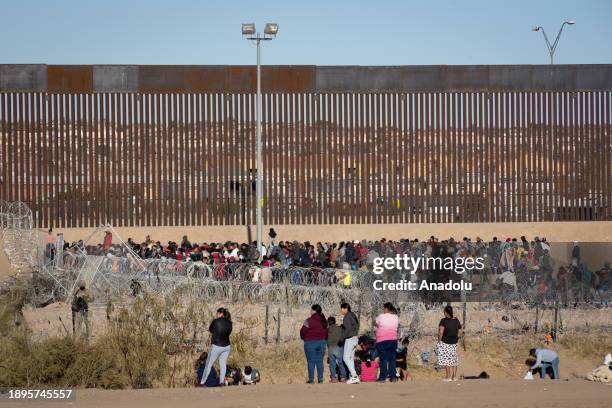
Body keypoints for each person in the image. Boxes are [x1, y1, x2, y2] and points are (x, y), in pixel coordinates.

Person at [200, 308, 233, 386]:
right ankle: (221, 382)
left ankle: (202, 382)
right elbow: (228, 332)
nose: (216, 315)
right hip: (227, 346)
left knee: (208, 364)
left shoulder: (216, 321)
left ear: (221, 313)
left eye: (217, 313)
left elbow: (210, 329)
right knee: (223, 364)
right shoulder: (230, 323)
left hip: (216, 346)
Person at [300, 304, 328, 384]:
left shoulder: (308, 321)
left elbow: (303, 332)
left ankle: (311, 380)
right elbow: (327, 332)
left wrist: (304, 338)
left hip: (310, 343)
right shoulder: (324, 321)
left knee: (311, 361)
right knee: (320, 361)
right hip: (322, 343)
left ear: (314, 311)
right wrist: (324, 339)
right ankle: (320, 379)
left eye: (311, 310)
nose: (310, 311)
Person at [437, 305, 465, 382]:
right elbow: (460, 331)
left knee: (447, 360)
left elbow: (441, 332)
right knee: (454, 359)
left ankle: (448, 377)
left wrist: (439, 341)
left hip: (445, 342)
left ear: (446, 312)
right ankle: (454, 377)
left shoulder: (443, 320)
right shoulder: (456, 320)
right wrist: (457, 337)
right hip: (454, 342)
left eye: (444, 312)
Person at [375, 302, 399, 382]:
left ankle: (382, 378)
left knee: (383, 359)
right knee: (392, 359)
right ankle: (393, 377)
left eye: (384, 308)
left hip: (382, 340)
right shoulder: (396, 317)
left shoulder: (381, 316)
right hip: (393, 339)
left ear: (386, 308)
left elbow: (376, 323)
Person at [340, 302, 360, 384]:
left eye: (341, 308)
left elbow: (347, 329)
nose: (340, 310)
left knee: (345, 358)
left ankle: (354, 376)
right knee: (350, 358)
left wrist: (342, 338)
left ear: (345, 308)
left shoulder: (347, 316)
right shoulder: (353, 315)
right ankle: (353, 376)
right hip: (355, 338)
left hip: (350, 338)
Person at [326, 316, 347, 382]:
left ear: (328, 323)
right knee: (340, 362)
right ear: (335, 322)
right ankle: (343, 377)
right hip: (338, 347)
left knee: (332, 363)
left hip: (330, 347)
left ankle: (333, 378)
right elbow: (344, 335)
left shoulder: (327, 329)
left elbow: (326, 339)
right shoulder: (339, 328)